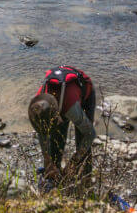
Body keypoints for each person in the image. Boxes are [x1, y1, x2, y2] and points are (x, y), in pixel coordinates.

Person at [27, 65, 96, 193]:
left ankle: (86, 181)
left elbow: (90, 134)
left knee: (82, 141)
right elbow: (42, 133)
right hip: (60, 102)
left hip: (83, 94)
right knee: (56, 139)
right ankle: (55, 175)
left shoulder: (70, 108)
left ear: (56, 116)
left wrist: (74, 161)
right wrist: (48, 161)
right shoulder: (39, 105)